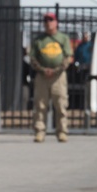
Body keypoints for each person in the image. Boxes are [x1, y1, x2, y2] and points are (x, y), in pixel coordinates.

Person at [29, 11, 73, 143]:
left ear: (56, 23)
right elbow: (32, 57)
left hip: (58, 76)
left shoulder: (63, 38)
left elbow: (68, 56)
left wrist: (57, 70)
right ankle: (40, 131)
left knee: (60, 104)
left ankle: (62, 131)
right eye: (46, 21)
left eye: (51, 20)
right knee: (40, 105)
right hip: (42, 76)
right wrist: (43, 70)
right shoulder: (39, 40)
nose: (48, 23)